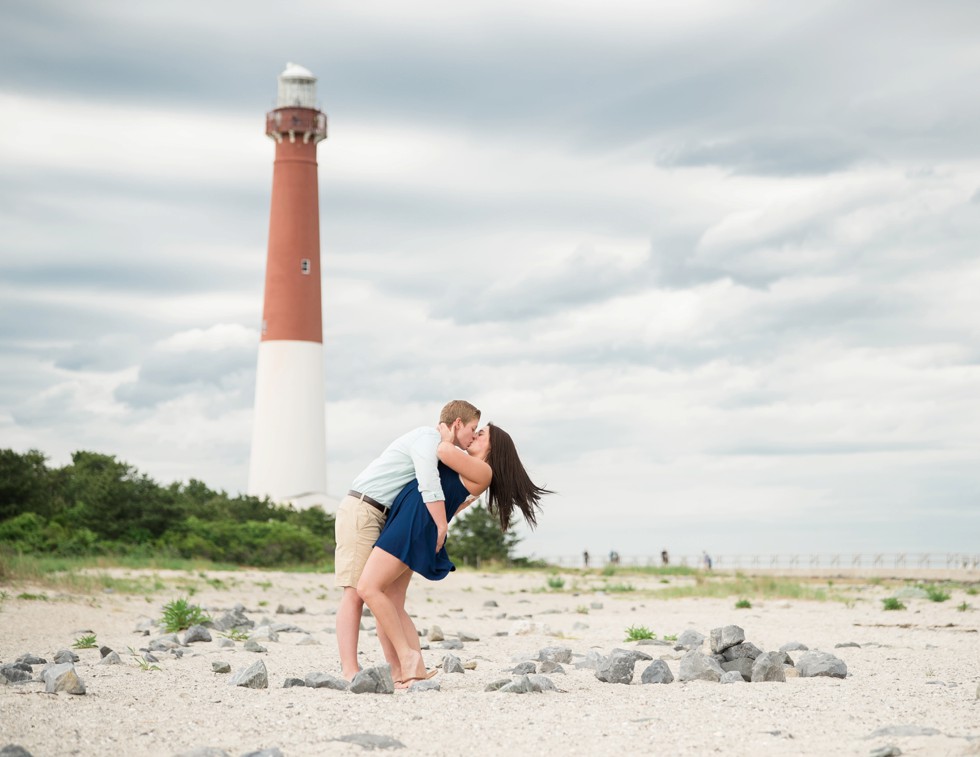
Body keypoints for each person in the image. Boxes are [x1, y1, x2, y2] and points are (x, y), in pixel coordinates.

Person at [357, 421, 551, 687]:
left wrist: (450, 428)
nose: (473, 435)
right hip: (414, 523)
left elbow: (443, 449)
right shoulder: (468, 468)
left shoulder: (483, 470)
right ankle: (412, 671)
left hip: (413, 525)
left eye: (480, 433)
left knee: (368, 588)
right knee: (390, 600)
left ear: (494, 447)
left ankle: (408, 657)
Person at [334, 400, 480, 680]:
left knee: (380, 594)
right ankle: (349, 670)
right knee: (355, 592)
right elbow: (428, 483)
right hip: (364, 509)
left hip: (383, 515)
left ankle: (400, 671)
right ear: (457, 424)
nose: (473, 436)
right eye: (472, 429)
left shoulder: (440, 451)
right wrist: (441, 526)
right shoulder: (428, 439)